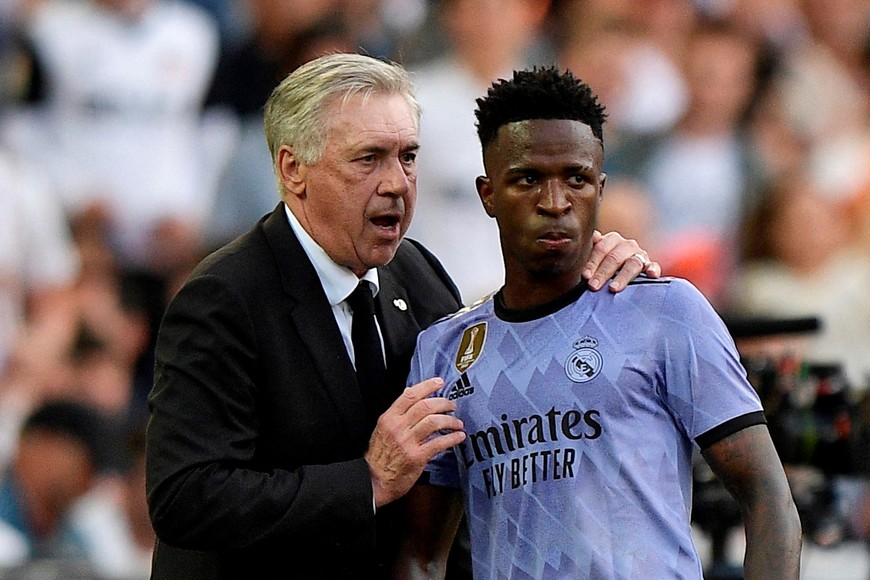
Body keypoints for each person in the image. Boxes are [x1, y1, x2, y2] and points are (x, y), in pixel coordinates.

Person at [145, 53, 659, 578]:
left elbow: (480, 417)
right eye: (369, 159)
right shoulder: (224, 297)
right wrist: (366, 481)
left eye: (408, 157)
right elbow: (185, 497)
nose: (397, 183)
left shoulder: (416, 275)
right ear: (293, 169)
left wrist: (589, 269)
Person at [393, 67, 802, 579]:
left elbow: (769, 499)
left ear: (600, 187)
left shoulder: (666, 312)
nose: (555, 201)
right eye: (527, 179)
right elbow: (422, 556)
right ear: (487, 193)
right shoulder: (443, 350)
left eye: (577, 178)